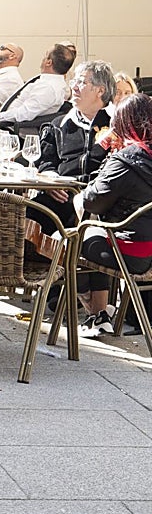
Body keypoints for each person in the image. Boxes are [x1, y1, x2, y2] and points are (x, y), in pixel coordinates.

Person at [79, 92, 152, 337]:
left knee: (66, 241)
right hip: (148, 252)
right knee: (94, 234)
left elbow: (91, 202)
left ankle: (94, 310)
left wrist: (110, 157)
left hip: (130, 254)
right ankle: (100, 315)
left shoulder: (126, 160)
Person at [31, 60, 115, 235]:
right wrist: (52, 183)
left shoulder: (116, 124)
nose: (74, 87)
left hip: (101, 203)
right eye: (74, 81)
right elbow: (45, 162)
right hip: (61, 198)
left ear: (100, 90)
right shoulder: (58, 125)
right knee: (25, 216)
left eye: (82, 82)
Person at [0, 41, 76, 127]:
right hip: (3, 119)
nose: (42, 59)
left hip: (8, 128)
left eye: (45, 55)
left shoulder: (48, 88)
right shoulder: (48, 81)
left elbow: (23, 114)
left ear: (49, 62)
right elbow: (16, 104)